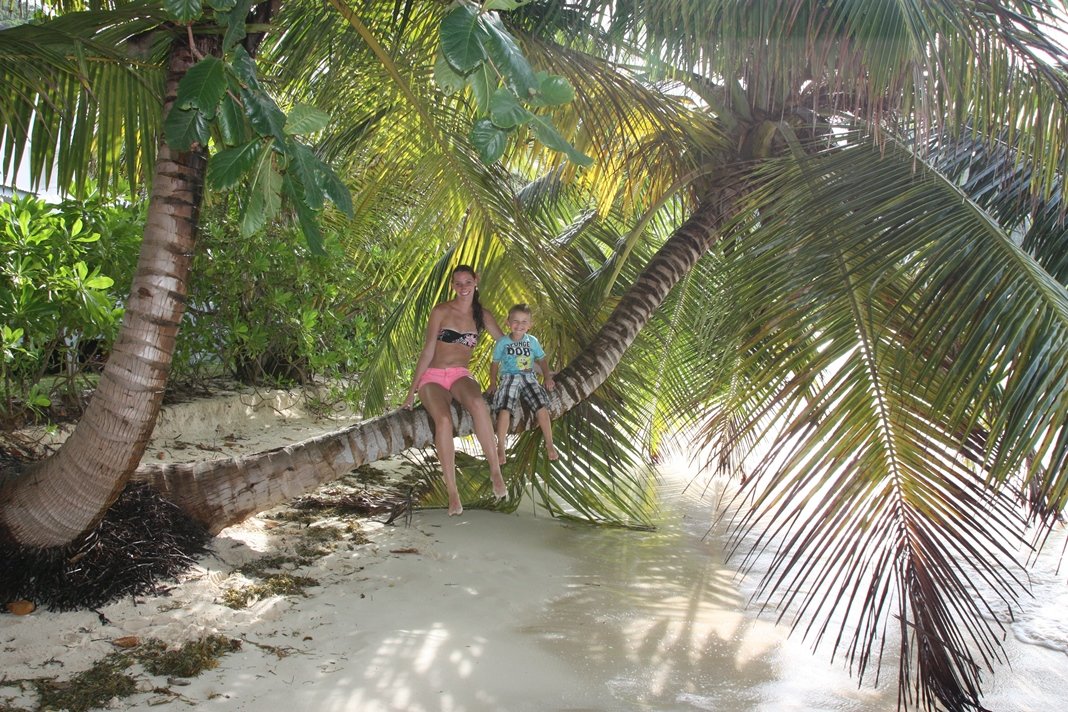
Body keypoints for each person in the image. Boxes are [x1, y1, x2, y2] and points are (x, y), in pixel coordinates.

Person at [402, 265, 507, 515]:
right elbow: (428, 351)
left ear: (476, 282)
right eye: (458, 283)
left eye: (467, 282)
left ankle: (495, 471)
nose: (463, 288)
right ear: (452, 285)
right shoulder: (440, 311)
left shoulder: (482, 315)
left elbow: (507, 346)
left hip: (460, 374)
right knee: (444, 421)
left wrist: (542, 369)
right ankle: (452, 493)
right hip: (433, 377)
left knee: (479, 404)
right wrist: (411, 391)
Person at [488, 303, 559, 463]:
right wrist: (493, 383)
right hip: (509, 378)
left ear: (530, 325)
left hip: (529, 377)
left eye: (524, 322)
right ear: (508, 322)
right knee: (504, 409)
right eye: (515, 321)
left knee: (541, 407)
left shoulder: (532, 341)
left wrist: (547, 377)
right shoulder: (503, 343)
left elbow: (541, 360)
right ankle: (500, 447)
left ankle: (549, 444)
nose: (519, 325)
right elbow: (494, 364)